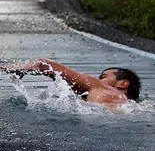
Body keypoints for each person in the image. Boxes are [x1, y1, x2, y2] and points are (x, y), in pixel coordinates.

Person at [0, 58, 141, 107]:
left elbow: (45, 64)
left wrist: (17, 68)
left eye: (103, 77)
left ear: (123, 84)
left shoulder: (99, 87)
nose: (99, 80)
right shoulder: (132, 106)